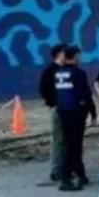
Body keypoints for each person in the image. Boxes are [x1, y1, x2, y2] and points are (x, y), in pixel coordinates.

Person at [53, 46, 96, 191]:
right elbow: (86, 94)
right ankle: (66, 178)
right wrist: (93, 112)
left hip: (63, 111)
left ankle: (80, 174)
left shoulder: (59, 72)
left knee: (70, 144)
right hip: (76, 113)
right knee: (74, 146)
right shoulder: (78, 73)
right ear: (75, 56)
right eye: (79, 55)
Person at [36, 44, 66, 186]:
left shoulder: (66, 69)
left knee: (66, 140)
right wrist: (53, 103)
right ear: (59, 54)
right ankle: (56, 171)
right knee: (57, 140)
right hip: (57, 108)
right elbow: (43, 89)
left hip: (68, 109)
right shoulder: (50, 71)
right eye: (64, 52)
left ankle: (66, 167)